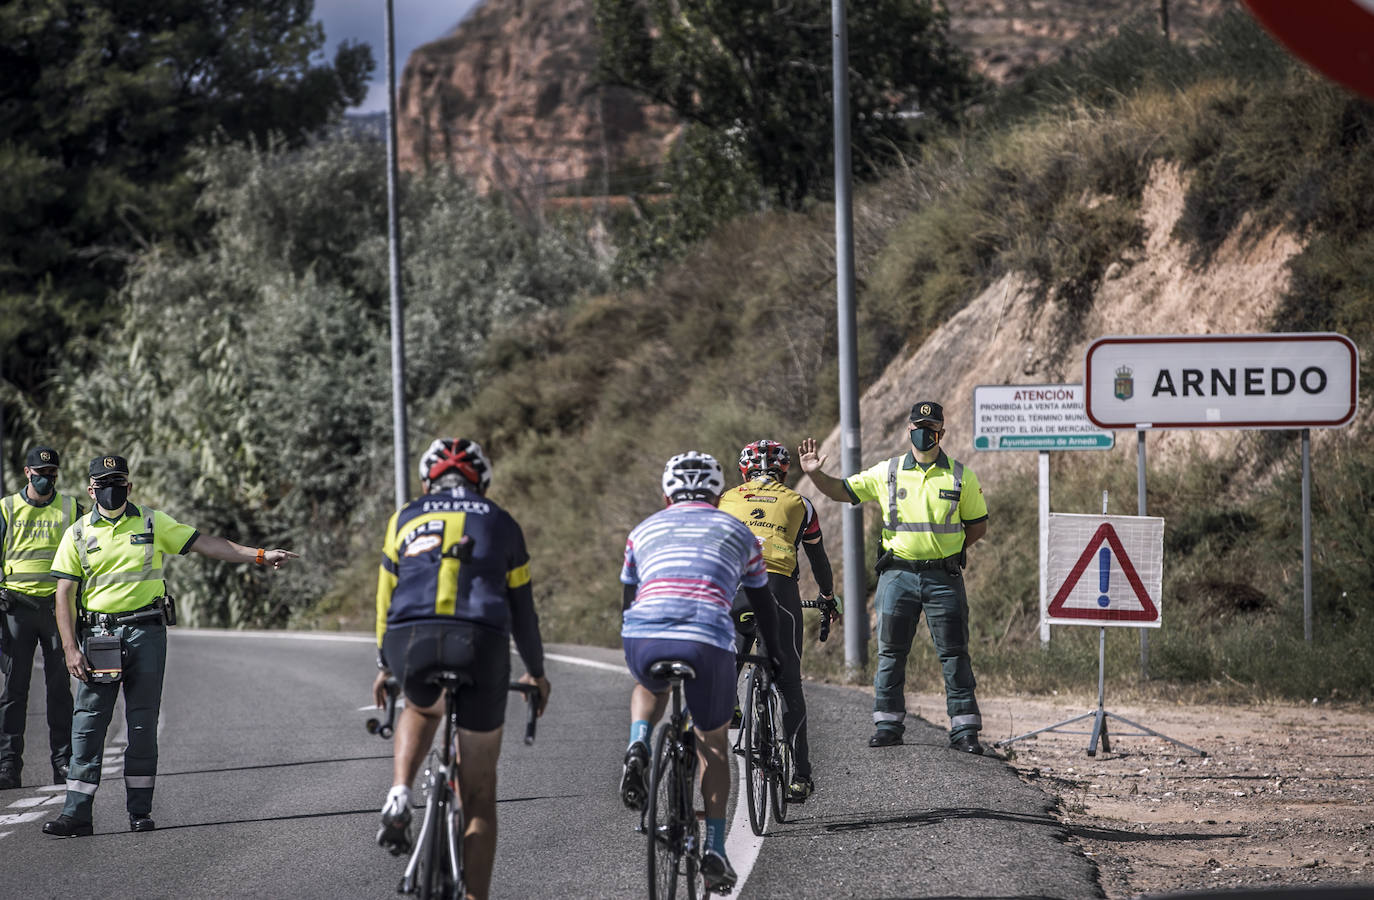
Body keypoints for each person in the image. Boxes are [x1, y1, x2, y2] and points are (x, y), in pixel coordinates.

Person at [42, 454, 298, 837]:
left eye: (119, 482)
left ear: (129, 486)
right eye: (105, 483)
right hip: (99, 638)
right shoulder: (77, 533)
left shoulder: (151, 521)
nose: (113, 489)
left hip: (146, 632)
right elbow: (63, 593)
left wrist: (260, 555)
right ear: (91, 489)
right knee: (88, 725)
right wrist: (69, 648)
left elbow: (207, 544)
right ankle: (77, 815)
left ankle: (139, 812)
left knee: (142, 725)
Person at [371, 438, 549, 900]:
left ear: (429, 479)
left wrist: (384, 664)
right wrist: (536, 672)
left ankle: (399, 792)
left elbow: (385, 598)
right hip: (480, 639)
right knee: (479, 794)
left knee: (423, 708)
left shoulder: (405, 516)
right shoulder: (503, 522)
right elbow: (523, 612)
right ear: (481, 481)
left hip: (409, 636)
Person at [618, 451, 785, 895]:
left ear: (666, 492)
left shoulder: (643, 530)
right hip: (707, 638)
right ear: (717, 492)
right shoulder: (737, 529)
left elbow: (629, 598)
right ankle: (714, 847)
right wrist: (777, 652)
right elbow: (762, 603)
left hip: (644, 635)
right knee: (714, 744)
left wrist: (635, 642)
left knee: (648, 684)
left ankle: (638, 743)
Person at [799, 400, 989, 754]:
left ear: (942, 432)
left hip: (943, 579)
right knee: (890, 653)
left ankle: (965, 731)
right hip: (897, 576)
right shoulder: (887, 472)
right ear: (908, 430)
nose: (924, 433)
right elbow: (843, 490)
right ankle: (887, 725)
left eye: (931, 428)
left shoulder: (961, 475)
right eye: (918, 426)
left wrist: (949, 550)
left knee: (954, 653)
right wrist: (813, 475)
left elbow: (977, 525)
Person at [717, 439, 838, 803]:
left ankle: (729, 702)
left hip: (733, 587)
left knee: (730, 654)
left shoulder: (725, 499)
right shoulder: (800, 503)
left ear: (744, 472)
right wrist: (828, 598)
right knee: (788, 684)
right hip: (777, 588)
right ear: (785, 471)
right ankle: (800, 776)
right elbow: (818, 561)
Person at [0, 446, 82, 790]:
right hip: (15, 609)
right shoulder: (7, 508)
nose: (46, 478)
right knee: (12, 691)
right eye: (40, 473)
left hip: (56, 609)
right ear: (26, 472)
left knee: (60, 689)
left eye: (51, 473)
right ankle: (7, 766)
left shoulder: (71, 507)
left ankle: (62, 762)